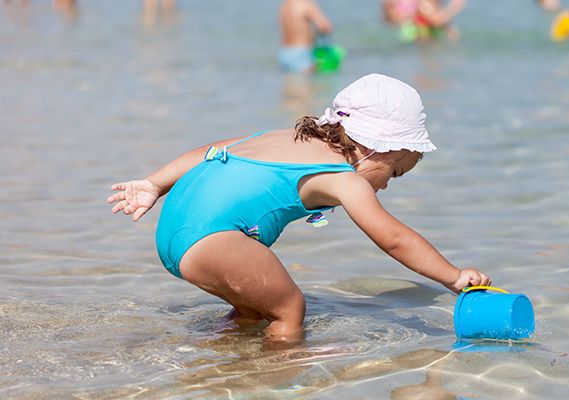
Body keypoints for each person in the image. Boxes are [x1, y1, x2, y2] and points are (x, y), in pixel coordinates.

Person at [107, 74, 491, 340]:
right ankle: (285, 368)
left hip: (176, 227)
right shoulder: (346, 179)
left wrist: (154, 184)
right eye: (395, 171)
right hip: (213, 240)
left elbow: (209, 152)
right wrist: (452, 277)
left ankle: (224, 352)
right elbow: (393, 239)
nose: (387, 183)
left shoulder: (281, 137)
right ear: (380, 147)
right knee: (290, 307)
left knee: (256, 309)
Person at [278, 0, 332, 73]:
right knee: (307, 83)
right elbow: (325, 26)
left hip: (285, 53)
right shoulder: (305, 3)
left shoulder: (285, 5)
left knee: (291, 83)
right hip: (301, 52)